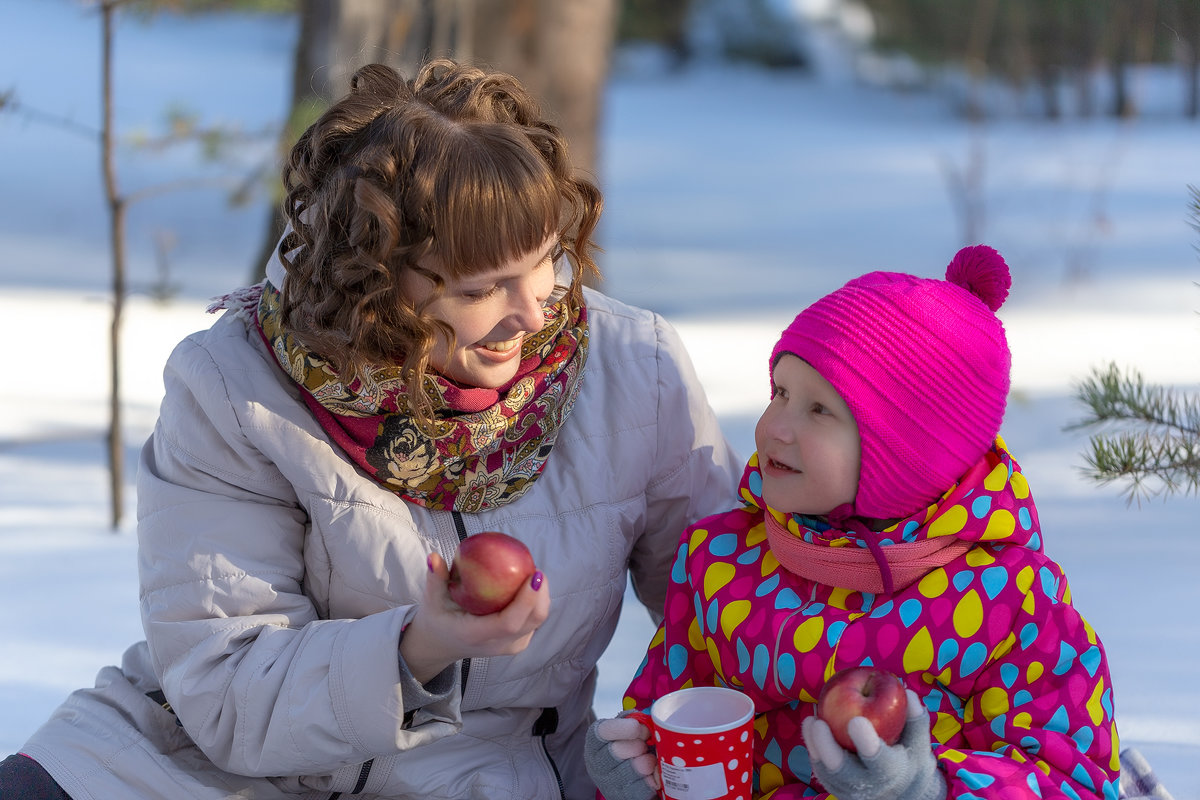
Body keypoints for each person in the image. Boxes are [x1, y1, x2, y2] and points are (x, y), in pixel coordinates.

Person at [0, 59, 741, 800]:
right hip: (203, 764)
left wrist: (833, 738)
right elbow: (224, 683)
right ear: (376, 282)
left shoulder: (632, 367)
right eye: (481, 289)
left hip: (487, 772)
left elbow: (737, 608)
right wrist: (421, 648)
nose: (534, 311)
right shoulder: (235, 385)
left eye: (546, 262)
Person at [585, 245, 1123, 800]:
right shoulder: (723, 562)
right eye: (781, 392)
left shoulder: (1012, 602)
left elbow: (1070, 777)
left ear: (909, 454)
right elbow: (671, 716)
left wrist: (930, 789)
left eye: (819, 410)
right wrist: (636, 775)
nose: (774, 428)